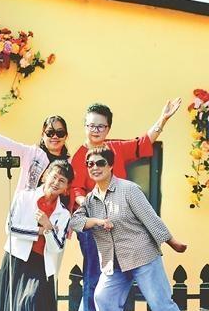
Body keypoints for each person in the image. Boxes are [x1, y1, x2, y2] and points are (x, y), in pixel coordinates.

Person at [70, 99, 182, 311]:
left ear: (108, 128)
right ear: (85, 126)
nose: (95, 130)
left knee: (153, 295)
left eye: (100, 126)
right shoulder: (78, 157)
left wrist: (163, 119)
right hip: (97, 228)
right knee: (96, 281)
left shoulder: (116, 151)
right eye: (91, 125)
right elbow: (75, 190)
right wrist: (91, 207)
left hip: (127, 229)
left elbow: (142, 144)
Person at [0, 160, 75, 311]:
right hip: (17, 259)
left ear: (66, 188)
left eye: (62, 181)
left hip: (41, 264)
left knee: (32, 300)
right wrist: (39, 231)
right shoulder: (24, 196)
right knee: (14, 306)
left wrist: (48, 228)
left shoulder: (64, 213)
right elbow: (10, 227)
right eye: (54, 177)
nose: (56, 182)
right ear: (45, 176)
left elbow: (57, 247)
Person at [0, 115, 70, 193]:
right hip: (26, 210)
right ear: (43, 135)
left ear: (66, 136)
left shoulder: (70, 163)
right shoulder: (31, 154)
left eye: (60, 133)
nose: (55, 137)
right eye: (50, 133)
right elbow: (7, 144)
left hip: (57, 213)